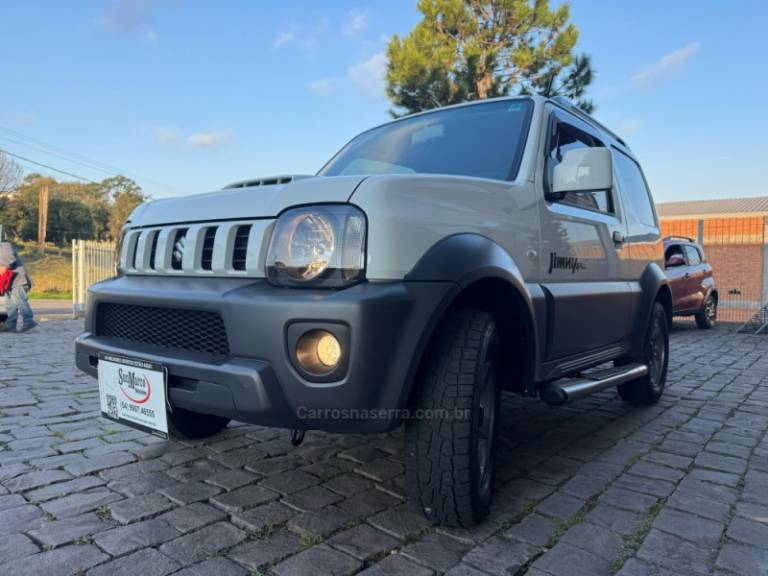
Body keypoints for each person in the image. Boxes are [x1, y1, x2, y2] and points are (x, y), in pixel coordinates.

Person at [0, 242, 37, 333]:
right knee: (10, 305)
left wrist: (3, 266)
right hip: (10, 283)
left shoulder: (4, 245)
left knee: (19, 301)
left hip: (19, 280)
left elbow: (10, 258)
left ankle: (29, 320)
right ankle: (10, 326)